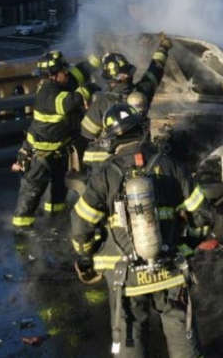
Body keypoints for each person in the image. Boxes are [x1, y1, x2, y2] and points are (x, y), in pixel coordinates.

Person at [70, 103, 211, 358]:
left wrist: (85, 257)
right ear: (142, 129)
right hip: (170, 268)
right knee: (182, 336)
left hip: (125, 276)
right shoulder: (172, 166)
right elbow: (203, 217)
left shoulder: (105, 175)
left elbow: (81, 226)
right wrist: (186, 246)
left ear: (111, 138)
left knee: (129, 337)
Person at [11, 50, 98, 230]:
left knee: (59, 190)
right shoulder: (48, 92)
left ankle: (55, 220)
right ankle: (21, 230)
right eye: (63, 71)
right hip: (41, 154)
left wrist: (99, 56)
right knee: (32, 191)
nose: (66, 73)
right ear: (53, 75)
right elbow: (66, 104)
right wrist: (86, 91)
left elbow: (79, 72)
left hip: (59, 150)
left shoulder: (60, 83)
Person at [81, 35, 172, 167]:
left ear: (109, 80)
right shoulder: (141, 93)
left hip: (102, 164)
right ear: (129, 74)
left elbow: (87, 134)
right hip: (138, 158)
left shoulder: (102, 103)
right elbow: (154, 72)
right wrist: (163, 48)